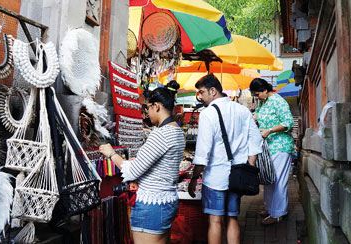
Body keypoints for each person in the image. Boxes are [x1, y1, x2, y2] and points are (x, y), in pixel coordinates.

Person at [99, 80, 185, 244]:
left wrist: (112, 154)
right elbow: (160, 163)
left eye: (147, 108)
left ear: (156, 107)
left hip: (152, 205)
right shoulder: (177, 132)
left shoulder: (160, 134)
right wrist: (137, 161)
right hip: (167, 201)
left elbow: (132, 171)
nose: (146, 114)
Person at [188, 74, 263, 244]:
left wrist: (194, 178)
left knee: (215, 221)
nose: (200, 96)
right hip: (237, 176)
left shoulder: (208, 114)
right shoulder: (243, 110)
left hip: (215, 177)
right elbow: (255, 141)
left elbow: (202, 153)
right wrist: (248, 167)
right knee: (232, 218)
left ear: (213, 91)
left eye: (202, 92)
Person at [249, 78, 295, 225]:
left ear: (264, 90)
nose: (256, 97)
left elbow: (288, 122)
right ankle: (270, 209)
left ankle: (279, 213)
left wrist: (270, 130)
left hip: (280, 146)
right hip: (269, 147)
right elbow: (256, 115)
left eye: (257, 94)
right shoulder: (263, 102)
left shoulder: (278, 101)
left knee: (279, 181)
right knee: (269, 179)